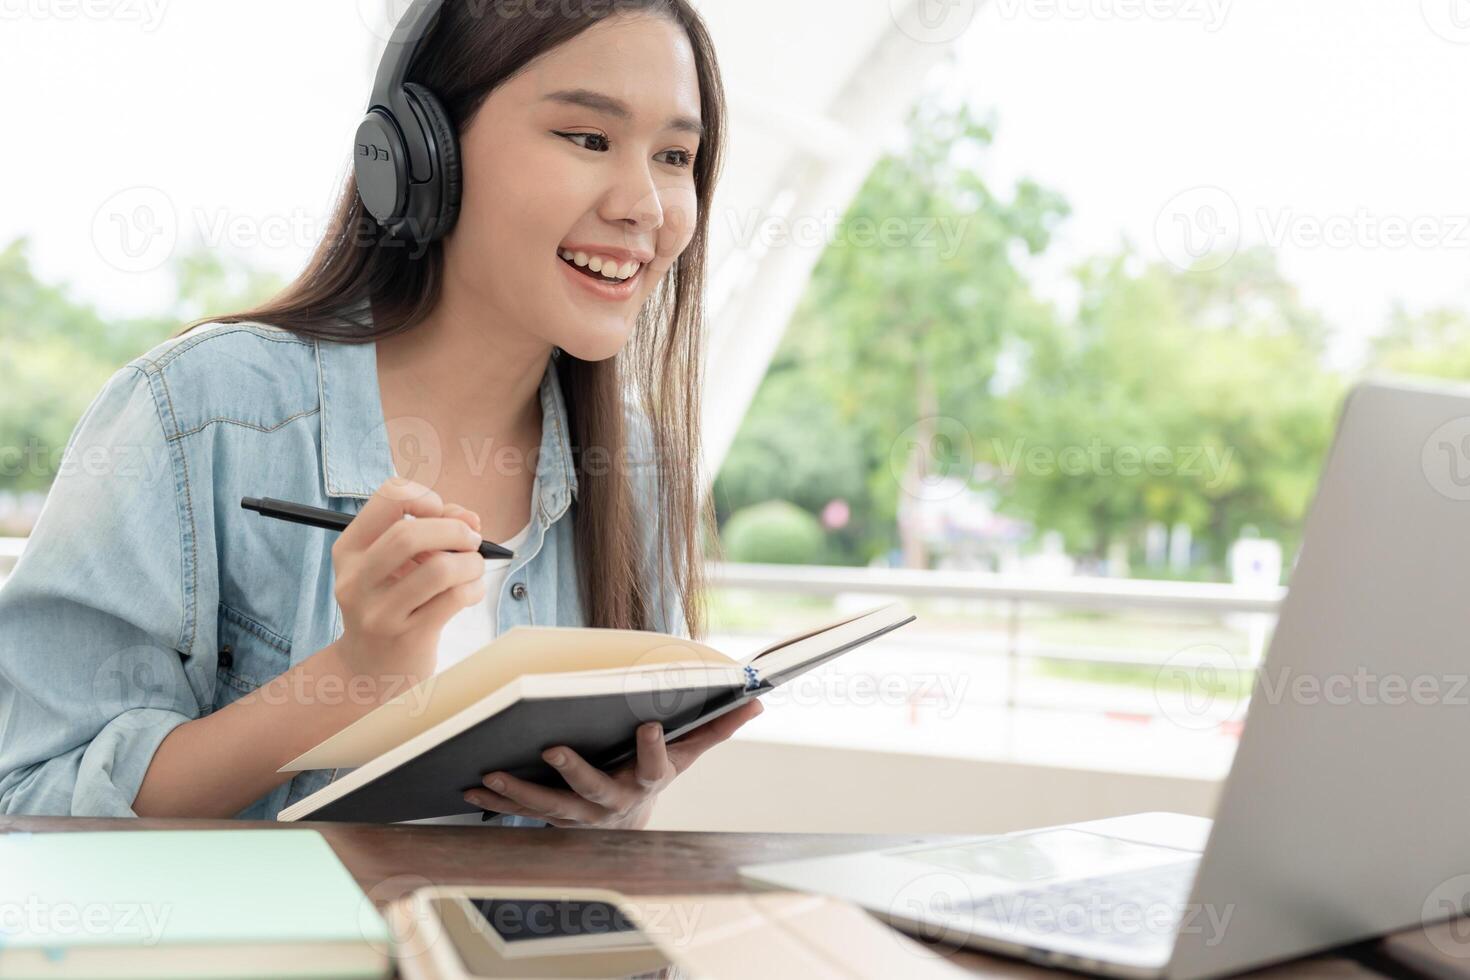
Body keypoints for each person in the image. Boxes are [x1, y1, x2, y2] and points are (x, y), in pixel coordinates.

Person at [0, 0, 760, 828]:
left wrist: (613, 815)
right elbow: (30, 808)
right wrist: (352, 681)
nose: (645, 205)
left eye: (676, 155)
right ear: (420, 152)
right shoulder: (199, 417)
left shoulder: (634, 466)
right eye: (588, 139)